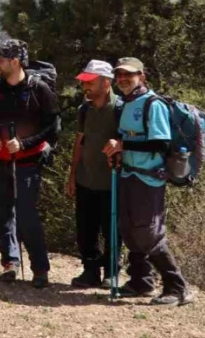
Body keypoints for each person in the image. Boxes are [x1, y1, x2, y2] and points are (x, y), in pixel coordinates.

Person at [102, 58, 193, 306]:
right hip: (128, 173)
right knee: (129, 228)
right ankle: (141, 281)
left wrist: (124, 145)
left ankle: (178, 287)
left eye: (128, 74)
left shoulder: (153, 104)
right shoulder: (125, 103)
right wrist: (118, 151)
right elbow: (124, 137)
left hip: (149, 178)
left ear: (141, 75)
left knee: (149, 232)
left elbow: (160, 144)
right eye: (118, 74)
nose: (122, 78)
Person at [0, 39, 59, 288]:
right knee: (2, 215)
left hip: (28, 162)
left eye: (0, 59)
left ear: (14, 61)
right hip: (0, 161)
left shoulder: (39, 89)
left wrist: (25, 144)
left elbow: (52, 126)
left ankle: (40, 269)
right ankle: (10, 264)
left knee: (26, 215)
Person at [66, 60, 121, 289]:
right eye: (83, 83)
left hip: (112, 182)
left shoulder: (121, 108)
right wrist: (72, 175)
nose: (85, 87)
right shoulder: (84, 109)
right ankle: (90, 272)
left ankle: (111, 273)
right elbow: (79, 143)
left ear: (106, 83)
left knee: (111, 230)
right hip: (86, 179)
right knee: (86, 230)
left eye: (90, 83)